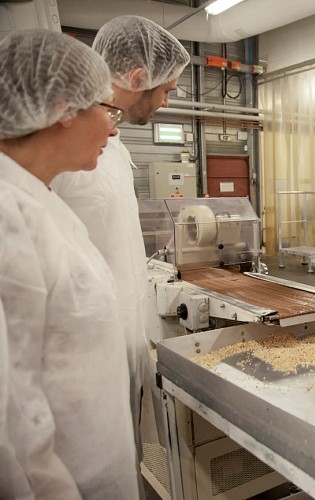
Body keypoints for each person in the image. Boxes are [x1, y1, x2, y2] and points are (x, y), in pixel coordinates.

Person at [0, 30, 139, 498]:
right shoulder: (6, 218)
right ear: (63, 107)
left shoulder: (40, 201)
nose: (114, 128)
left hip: (94, 470)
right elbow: (11, 421)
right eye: (107, 109)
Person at [50, 15, 190, 465]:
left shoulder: (118, 147)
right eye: (166, 90)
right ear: (137, 77)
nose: (166, 102)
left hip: (123, 338)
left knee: (123, 462)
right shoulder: (65, 143)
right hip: (77, 354)